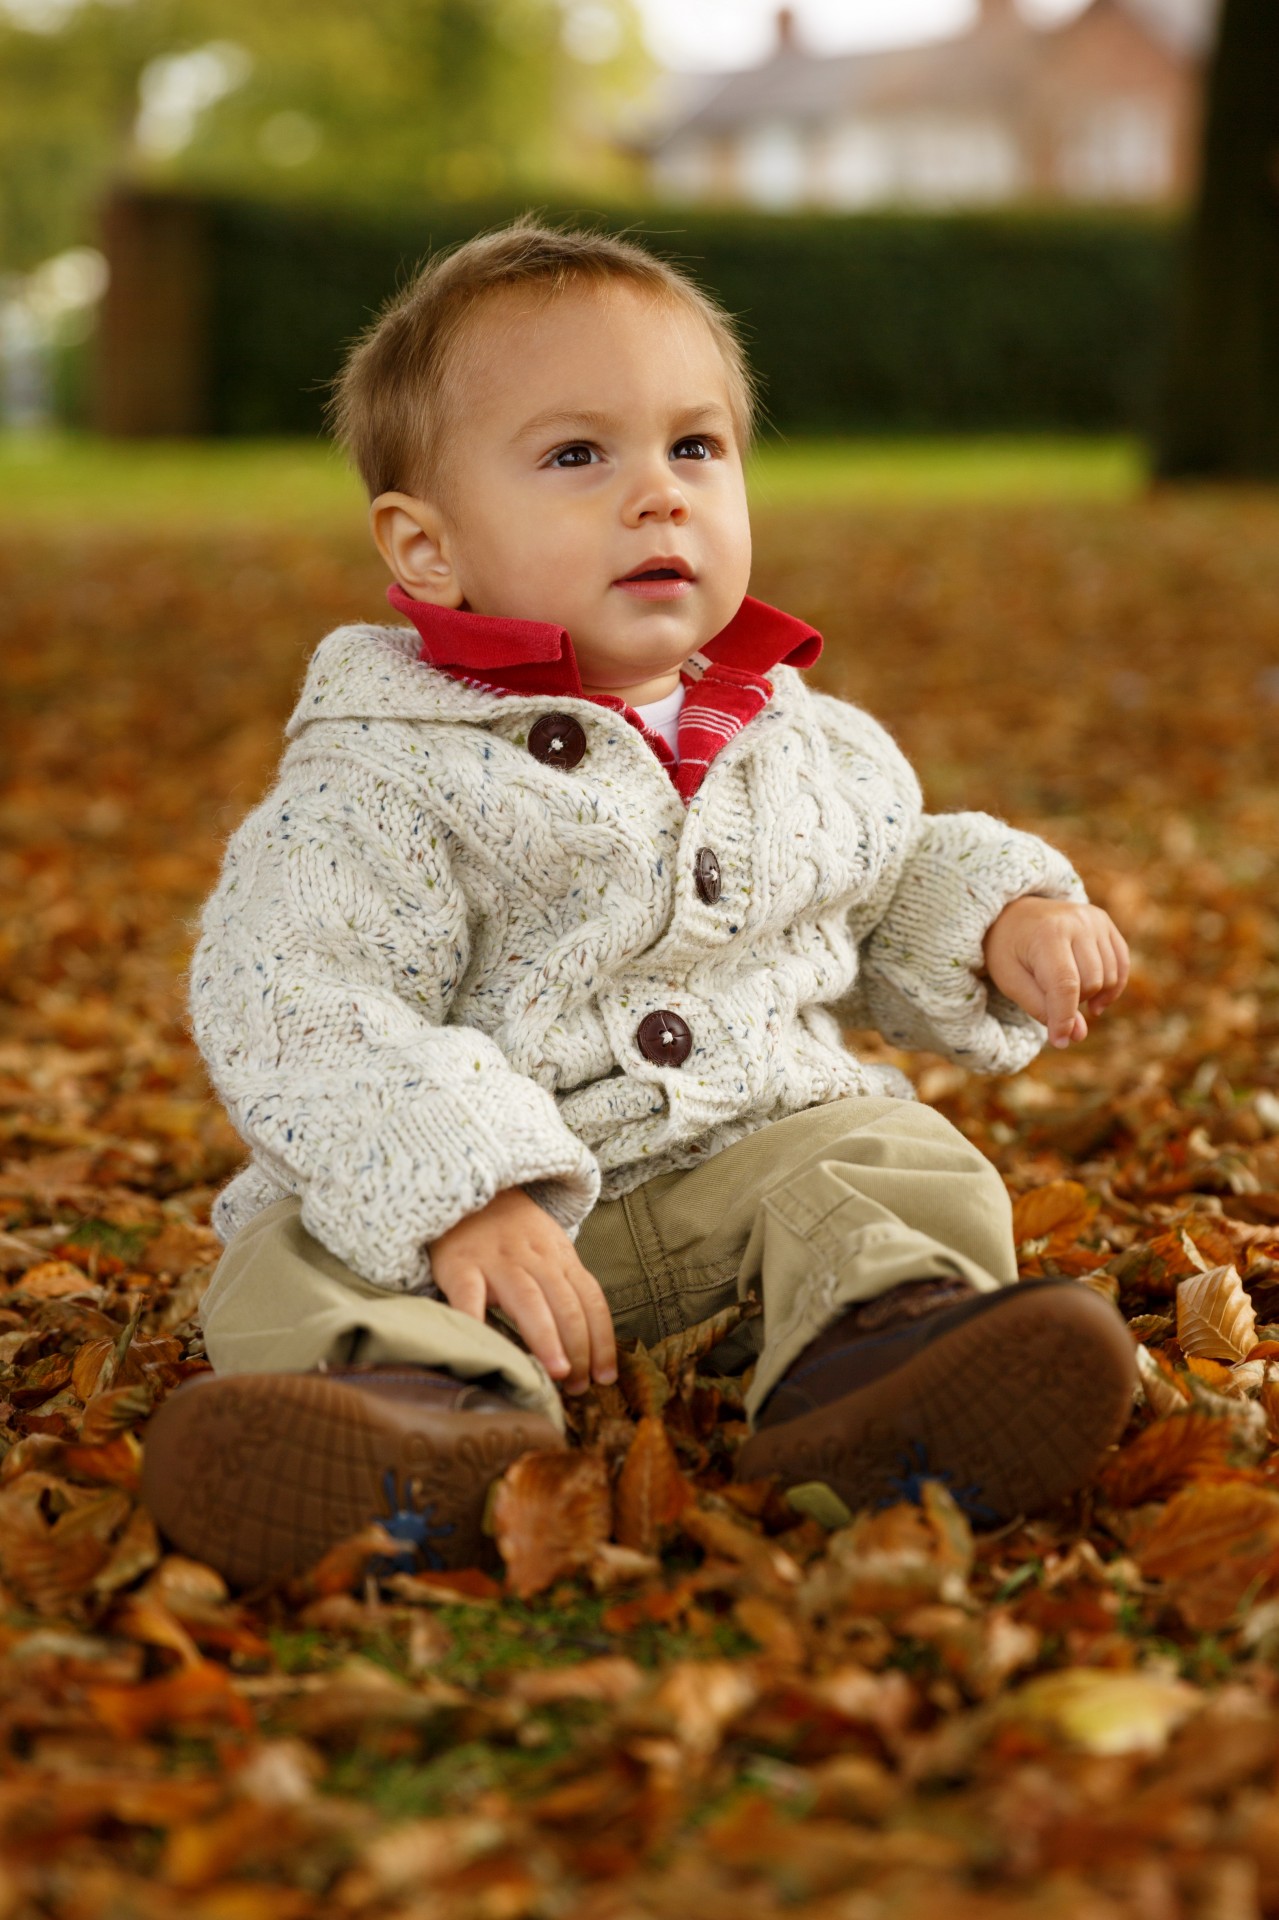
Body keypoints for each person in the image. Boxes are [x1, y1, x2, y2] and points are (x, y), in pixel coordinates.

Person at [142, 220, 1136, 1590]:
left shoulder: (799, 735)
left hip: (740, 1178)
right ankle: (424, 1416)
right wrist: (461, 1193)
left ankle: (877, 1357)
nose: (658, 495)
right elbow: (297, 991)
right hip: (482, 1238)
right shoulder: (381, 778)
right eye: (576, 455)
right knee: (289, 1257)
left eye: (695, 447)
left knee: (890, 1159)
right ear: (427, 549)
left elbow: (882, 865)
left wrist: (996, 913)